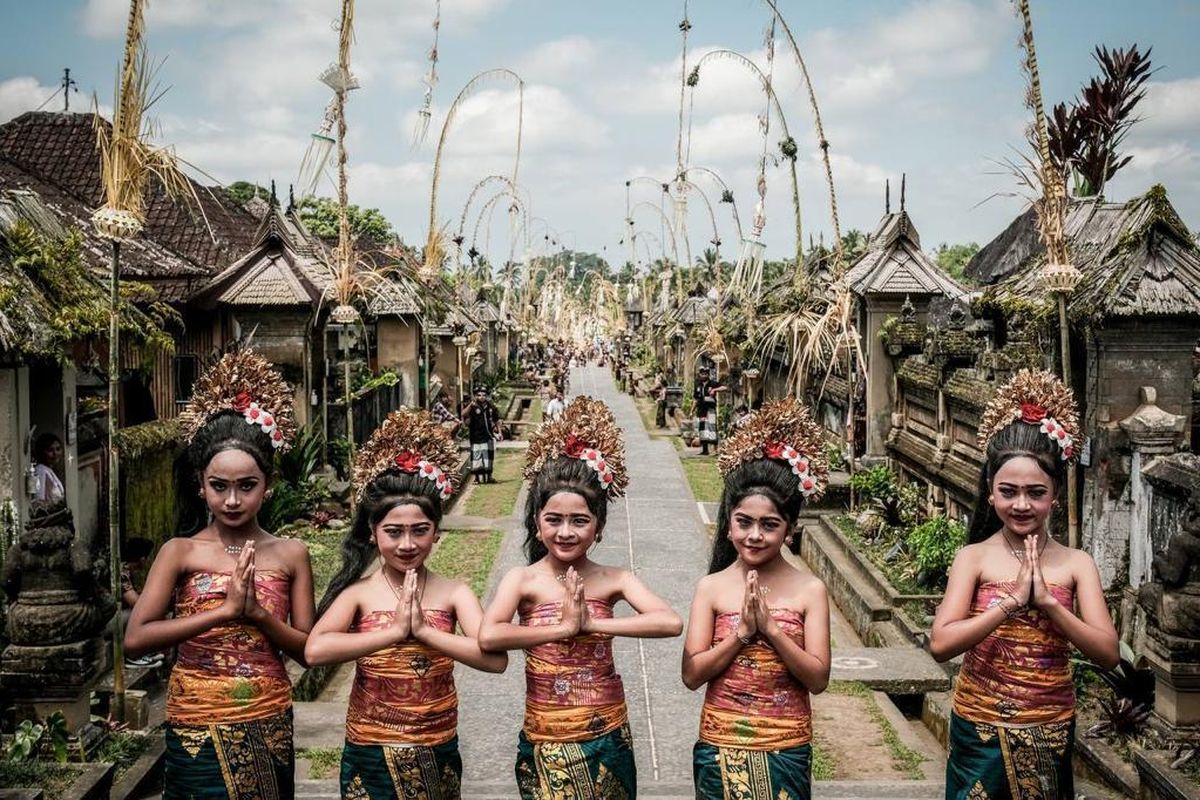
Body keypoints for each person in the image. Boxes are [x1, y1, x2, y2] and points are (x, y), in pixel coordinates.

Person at [124, 350, 315, 800]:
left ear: (268, 486)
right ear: (200, 484)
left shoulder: (292, 554)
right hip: (195, 726)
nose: (232, 500)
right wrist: (223, 612)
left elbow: (310, 652)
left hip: (266, 723)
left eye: (247, 486)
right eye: (219, 486)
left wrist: (259, 616)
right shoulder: (180, 552)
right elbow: (136, 638)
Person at [478, 397, 683, 798]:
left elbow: (669, 622)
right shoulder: (522, 580)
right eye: (553, 520)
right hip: (545, 734)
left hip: (607, 734)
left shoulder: (613, 579)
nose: (566, 532)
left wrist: (591, 625)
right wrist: (561, 628)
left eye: (580, 521)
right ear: (537, 525)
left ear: (599, 528)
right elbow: (489, 636)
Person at [930, 369, 1119, 800]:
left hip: (1048, 730)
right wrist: (1011, 602)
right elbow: (941, 644)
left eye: (1036, 492)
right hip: (979, 731)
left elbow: (1108, 653)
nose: (1021, 504)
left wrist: (1050, 605)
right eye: (1008, 491)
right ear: (991, 492)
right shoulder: (973, 559)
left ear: (1055, 494)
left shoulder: (1076, 564)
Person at [305, 409, 507, 798]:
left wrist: (425, 632)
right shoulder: (359, 593)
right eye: (393, 532)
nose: (407, 544)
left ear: (436, 533)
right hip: (371, 752)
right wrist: (395, 633)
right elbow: (315, 650)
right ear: (372, 532)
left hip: (437, 748)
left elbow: (495, 660)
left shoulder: (454, 593)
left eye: (420, 531)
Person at [683, 398, 832, 799]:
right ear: (728, 524)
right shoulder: (711, 588)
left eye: (770, 525)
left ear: (789, 530)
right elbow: (692, 675)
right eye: (744, 522)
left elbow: (818, 679)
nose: (754, 535)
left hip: (786, 749)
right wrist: (742, 634)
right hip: (720, 746)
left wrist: (771, 630)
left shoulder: (809, 590)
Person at [120, 537, 163, 669]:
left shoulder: (127, 570)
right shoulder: (121, 572)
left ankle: (143, 651)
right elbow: (135, 602)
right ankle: (132, 657)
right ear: (143, 559)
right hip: (106, 622)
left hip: (115, 616)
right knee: (139, 613)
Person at [463, 386, 501, 484]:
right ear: (475, 396)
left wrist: (499, 432)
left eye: (484, 395)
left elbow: (496, 420)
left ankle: (489, 477)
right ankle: (476, 479)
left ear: (487, 396)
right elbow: (463, 414)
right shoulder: (472, 406)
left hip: (488, 435)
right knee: (476, 458)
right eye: (479, 395)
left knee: (488, 457)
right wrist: (471, 405)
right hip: (475, 436)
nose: (482, 397)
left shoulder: (490, 406)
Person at [693, 367, 725, 456]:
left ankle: (715, 450)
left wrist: (715, 390)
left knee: (712, 428)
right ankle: (705, 450)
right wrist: (692, 410)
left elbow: (724, 387)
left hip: (710, 410)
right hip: (701, 410)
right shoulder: (698, 384)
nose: (704, 375)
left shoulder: (713, 383)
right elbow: (695, 399)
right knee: (702, 429)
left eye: (705, 374)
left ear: (708, 374)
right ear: (700, 374)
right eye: (702, 374)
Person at [32, 431, 65, 503]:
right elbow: (39, 500)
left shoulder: (49, 470)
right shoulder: (40, 471)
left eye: (58, 449)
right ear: (42, 452)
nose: (55, 453)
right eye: (50, 450)